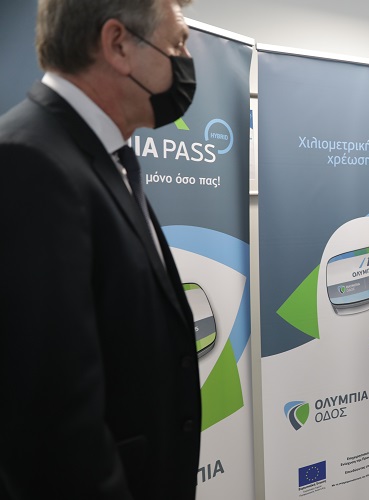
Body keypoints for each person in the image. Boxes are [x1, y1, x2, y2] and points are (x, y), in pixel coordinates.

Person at [0, 0, 201, 498]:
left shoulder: (104, 157)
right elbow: (52, 421)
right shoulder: (29, 162)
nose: (185, 59)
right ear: (117, 45)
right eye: (177, 43)